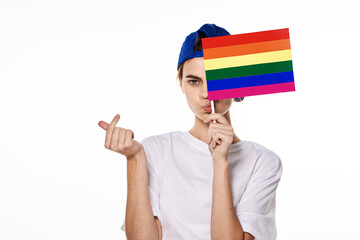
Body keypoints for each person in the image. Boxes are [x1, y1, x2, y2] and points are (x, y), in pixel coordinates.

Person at [98, 23, 283, 240]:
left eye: (217, 80)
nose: (206, 93)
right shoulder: (155, 150)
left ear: (237, 85)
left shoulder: (263, 162)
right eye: (194, 81)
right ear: (181, 84)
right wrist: (134, 158)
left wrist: (220, 161)